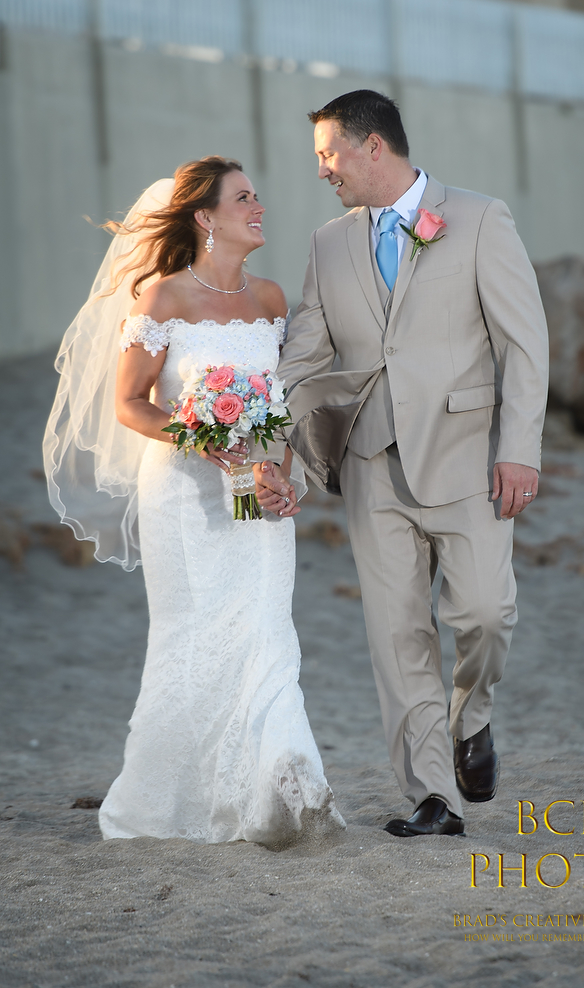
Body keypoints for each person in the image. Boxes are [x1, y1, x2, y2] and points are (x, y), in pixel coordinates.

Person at [255, 91, 549, 838]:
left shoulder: (479, 218)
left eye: (328, 152)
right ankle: (433, 796)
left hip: (468, 458)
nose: (321, 168)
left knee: (485, 613)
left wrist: (519, 450)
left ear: (373, 147)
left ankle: (471, 717)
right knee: (398, 635)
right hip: (369, 463)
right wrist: (273, 450)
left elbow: (523, 345)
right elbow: (304, 357)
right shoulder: (328, 243)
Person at [43, 156, 344, 845]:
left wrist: (280, 474)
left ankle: (285, 786)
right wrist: (197, 435)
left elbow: (282, 406)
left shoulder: (271, 299)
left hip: (256, 494)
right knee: (192, 638)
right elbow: (129, 403)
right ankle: (168, 805)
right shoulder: (163, 299)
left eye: (256, 196)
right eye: (243, 198)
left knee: (267, 630)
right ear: (205, 217)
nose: (258, 207)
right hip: (183, 495)